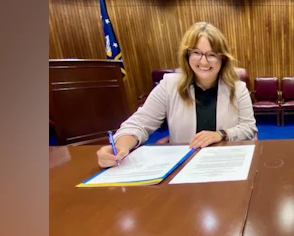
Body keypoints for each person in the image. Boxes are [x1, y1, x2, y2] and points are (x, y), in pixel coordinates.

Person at [96, 22, 257, 167]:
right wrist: (121, 147)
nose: (203, 62)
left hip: (226, 162)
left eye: (212, 54)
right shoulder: (168, 85)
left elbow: (249, 128)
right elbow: (138, 124)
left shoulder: (238, 88)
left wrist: (221, 134)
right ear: (187, 55)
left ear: (222, 58)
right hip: (184, 164)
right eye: (196, 53)